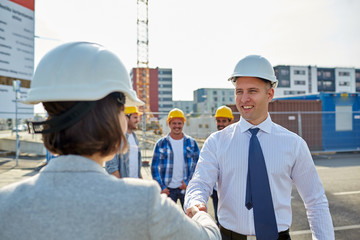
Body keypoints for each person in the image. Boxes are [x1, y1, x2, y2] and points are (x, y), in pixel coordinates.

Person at [0, 42, 220, 240]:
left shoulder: (5, 204)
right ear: (112, 120)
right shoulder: (144, 203)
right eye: (123, 111)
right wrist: (201, 214)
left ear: (49, 119)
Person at [185, 55, 334, 240]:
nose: (244, 99)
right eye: (239, 91)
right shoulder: (216, 142)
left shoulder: (294, 145)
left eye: (252, 91)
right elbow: (199, 183)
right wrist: (196, 201)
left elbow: (315, 201)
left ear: (270, 94)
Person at [151, 108, 200, 208]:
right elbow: (154, 167)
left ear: (183, 124)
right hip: (167, 189)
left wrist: (188, 182)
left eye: (179, 123)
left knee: (189, 218)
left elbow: (197, 164)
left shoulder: (191, 143)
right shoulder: (161, 143)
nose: (177, 126)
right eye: (174, 123)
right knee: (167, 219)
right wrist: (161, 187)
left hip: (185, 188)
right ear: (169, 124)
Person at [210, 105, 234, 225]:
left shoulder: (237, 140)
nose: (221, 124)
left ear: (231, 121)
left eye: (224, 121)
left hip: (233, 190)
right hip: (216, 190)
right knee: (219, 220)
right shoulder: (213, 140)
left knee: (235, 222)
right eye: (218, 121)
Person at [105, 106, 142, 178]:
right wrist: (121, 186)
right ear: (126, 118)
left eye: (138, 118)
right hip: (124, 185)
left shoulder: (134, 137)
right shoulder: (116, 138)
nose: (138, 120)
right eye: (135, 117)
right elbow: (112, 167)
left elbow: (136, 163)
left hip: (135, 183)